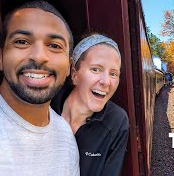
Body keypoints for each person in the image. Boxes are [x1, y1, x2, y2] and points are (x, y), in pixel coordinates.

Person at [0, 0, 79, 175]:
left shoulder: (66, 137)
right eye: (22, 41)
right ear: (1, 58)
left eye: (54, 46)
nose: (39, 57)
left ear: (70, 67)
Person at [51, 33, 129, 176]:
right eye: (96, 69)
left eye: (114, 74)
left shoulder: (117, 120)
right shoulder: (46, 105)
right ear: (74, 74)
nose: (106, 81)